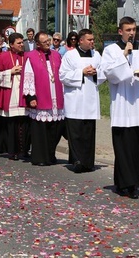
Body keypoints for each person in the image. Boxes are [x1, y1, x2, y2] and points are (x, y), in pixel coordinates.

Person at [99, 16, 139, 199]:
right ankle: (123, 183)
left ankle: (134, 184)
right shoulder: (111, 50)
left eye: (134, 29)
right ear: (120, 31)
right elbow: (109, 74)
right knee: (122, 146)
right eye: (128, 30)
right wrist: (124, 55)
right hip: (122, 104)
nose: (132, 33)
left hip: (138, 104)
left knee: (136, 147)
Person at [59, 29, 105, 173]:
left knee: (88, 133)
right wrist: (81, 73)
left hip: (91, 99)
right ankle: (77, 160)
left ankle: (88, 162)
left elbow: (104, 72)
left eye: (92, 39)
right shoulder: (70, 55)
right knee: (76, 133)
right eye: (89, 39)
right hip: (75, 99)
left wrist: (97, 73)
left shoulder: (96, 55)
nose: (92, 42)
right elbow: (63, 75)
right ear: (81, 41)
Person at [21, 31, 65, 166]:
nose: (48, 42)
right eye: (44, 41)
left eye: (48, 40)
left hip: (56, 96)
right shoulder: (31, 56)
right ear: (38, 44)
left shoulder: (56, 55)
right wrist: (31, 97)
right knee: (41, 130)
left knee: (55, 129)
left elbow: (62, 74)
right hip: (40, 96)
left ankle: (51, 154)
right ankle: (40, 157)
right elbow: (28, 77)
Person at [0, 33, 29, 160]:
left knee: (23, 124)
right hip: (11, 94)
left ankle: (24, 151)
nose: (21, 45)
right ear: (11, 45)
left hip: (24, 94)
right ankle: (12, 151)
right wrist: (10, 72)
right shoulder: (3, 57)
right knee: (12, 124)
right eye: (18, 43)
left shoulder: (27, 56)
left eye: (22, 42)